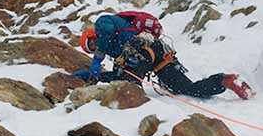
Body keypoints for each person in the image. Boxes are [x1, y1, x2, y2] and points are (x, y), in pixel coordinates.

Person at [74, 16, 253, 100]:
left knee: (128, 82)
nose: (95, 47)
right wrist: (98, 77)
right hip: (159, 59)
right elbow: (122, 74)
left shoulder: (102, 23)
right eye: (91, 49)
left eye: (92, 42)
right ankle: (223, 81)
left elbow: (106, 31)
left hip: (145, 47)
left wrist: (96, 62)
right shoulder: (115, 52)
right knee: (188, 89)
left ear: (92, 34)